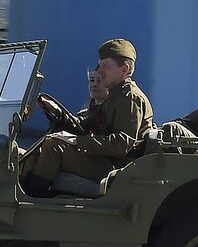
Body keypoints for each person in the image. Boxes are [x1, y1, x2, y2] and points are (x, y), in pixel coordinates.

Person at [20, 38, 154, 197]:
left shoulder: (130, 97)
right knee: (46, 143)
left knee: (54, 147)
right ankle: (20, 189)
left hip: (119, 168)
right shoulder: (115, 96)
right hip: (106, 160)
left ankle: (30, 199)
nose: (100, 70)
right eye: (100, 64)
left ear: (125, 70)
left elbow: (121, 144)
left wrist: (78, 141)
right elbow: (84, 126)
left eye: (106, 66)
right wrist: (57, 113)